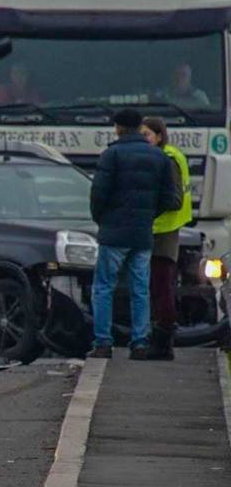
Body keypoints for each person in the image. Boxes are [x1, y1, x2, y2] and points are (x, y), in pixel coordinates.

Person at [88, 108, 176, 359]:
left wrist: (102, 219)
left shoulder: (111, 154)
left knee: (104, 287)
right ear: (139, 127)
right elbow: (168, 198)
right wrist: (147, 216)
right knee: (140, 289)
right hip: (142, 233)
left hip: (113, 233)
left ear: (118, 127)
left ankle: (103, 343)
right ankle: (139, 343)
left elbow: (98, 195)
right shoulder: (159, 158)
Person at [141, 116, 190, 360]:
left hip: (163, 231)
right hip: (160, 229)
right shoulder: (165, 156)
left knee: (162, 286)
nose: (144, 140)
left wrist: (148, 212)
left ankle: (163, 341)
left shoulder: (167, 159)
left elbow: (173, 199)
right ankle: (161, 337)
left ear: (160, 136)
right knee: (159, 285)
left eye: (147, 135)